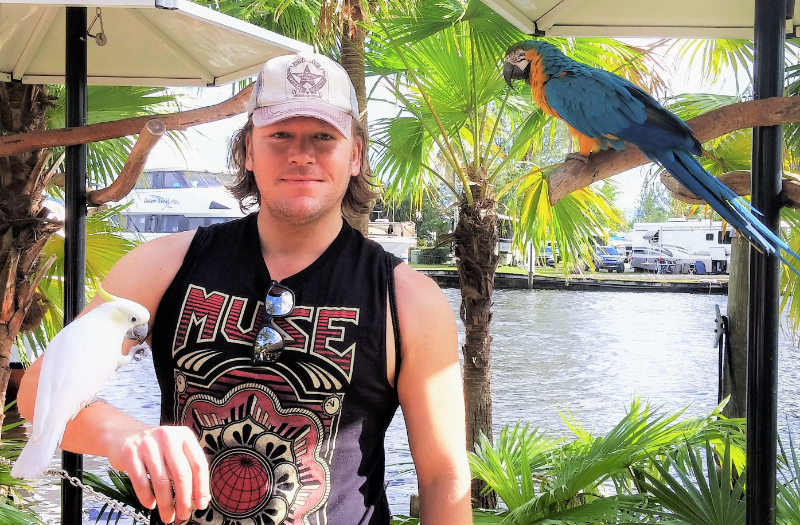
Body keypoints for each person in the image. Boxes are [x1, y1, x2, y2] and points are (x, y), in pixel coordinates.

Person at [18, 52, 472, 525]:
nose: (301, 154)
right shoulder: (163, 265)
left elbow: (443, 477)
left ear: (355, 155)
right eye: (279, 135)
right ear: (247, 152)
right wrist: (124, 435)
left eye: (324, 136)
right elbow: (35, 390)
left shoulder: (406, 298)